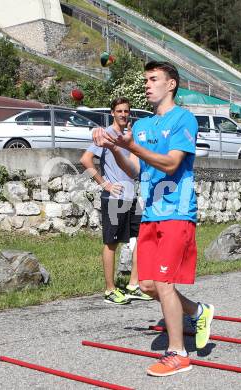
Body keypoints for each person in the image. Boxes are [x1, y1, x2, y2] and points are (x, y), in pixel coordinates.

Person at [92, 61, 214, 377]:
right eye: (145, 80)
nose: (147, 84)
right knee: (147, 285)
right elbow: (135, 169)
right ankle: (199, 311)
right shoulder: (143, 126)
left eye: (153, 79)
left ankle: (178, 354)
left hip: (176, 213)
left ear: (170, 84)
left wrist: (130, 144)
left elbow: (172, 164)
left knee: (164, 281)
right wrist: (116, 147)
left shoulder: (183, 119)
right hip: (150, 215)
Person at [80, 97, 152, 305]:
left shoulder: (130, 137)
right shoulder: (106, 135)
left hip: (132, 196)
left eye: (126, 111)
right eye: (119, 111)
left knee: (140, 239)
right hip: (114, 197)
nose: (123, 114)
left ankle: (133, 285)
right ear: (112, 112)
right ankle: (110, 290)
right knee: (111, 243)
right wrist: (105, 184)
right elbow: (85, 160)